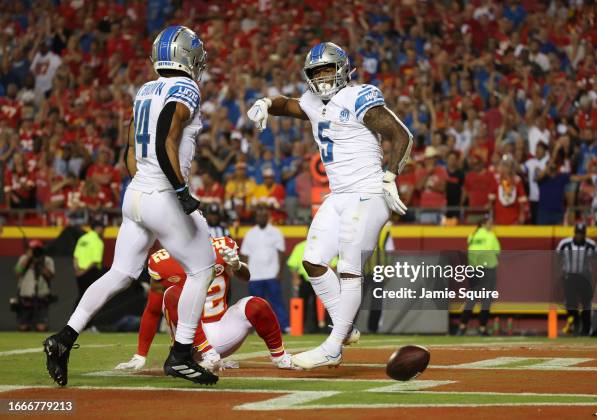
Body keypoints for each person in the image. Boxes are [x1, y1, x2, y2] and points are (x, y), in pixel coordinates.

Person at [43, 26, 218, 387]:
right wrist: (181, 191)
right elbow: (165, 140)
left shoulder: (144, 90)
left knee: (120, 273)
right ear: (186, 56)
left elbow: (130, 150)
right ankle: (182, 354)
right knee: (202, 268)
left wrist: (147, 184)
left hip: (136, 192)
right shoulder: (186, 88)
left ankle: (63, 339)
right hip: (162, 194)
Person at [247, 42, 412, 368]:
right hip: (338, 195)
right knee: (313, 262)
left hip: (367, 192)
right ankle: (345, 325)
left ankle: (334, 345)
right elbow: (288, 105)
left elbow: (401, 134)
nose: (322, 78)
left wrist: (390, 175)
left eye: (327, 70)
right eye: (316, 72)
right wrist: (266, 103)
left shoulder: (357, 95)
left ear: (342, 70)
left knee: (350, 268)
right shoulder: (310, 101)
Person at [114, 237, 298, 371]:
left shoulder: (221, 246)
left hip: (223, 327)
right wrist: (141, 353)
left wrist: (236, 265)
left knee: (256, 304)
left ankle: (280, 357)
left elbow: (246, 277)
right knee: (173, 294)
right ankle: (207, 354)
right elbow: (153, 311)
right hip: (190, 342)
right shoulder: (161, 261)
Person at [240, 206, 289, 332]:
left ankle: (284, 326)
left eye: (263, 216)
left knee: (276, 302)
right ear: (256, 217)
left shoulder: (275, 232)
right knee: (256, 305)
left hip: (272, 273)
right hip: (254, 275)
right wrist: (246, 273)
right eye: (259, 216)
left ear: (268, 217)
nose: (261, 218)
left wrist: (280, 271)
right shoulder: (250, 233)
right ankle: (258, 328)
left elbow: (281, 253)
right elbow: (245, 254)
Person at [457, 215, 500, 336]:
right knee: (486, 300)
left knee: (472, 299)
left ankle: (462, 326)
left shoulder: (472, 236)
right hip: (488, 270)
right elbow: (497, 252)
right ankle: (482, 328)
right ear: (484, 224)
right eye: (490, 223)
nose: (492, 225)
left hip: (473, 270)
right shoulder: (490, 236)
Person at [556, 223, 597, 336]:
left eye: (582, 234)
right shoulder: (564, 244)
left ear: (585, 234)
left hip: (584, 277)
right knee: (570, 303)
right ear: (574, 233)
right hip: (570, 276)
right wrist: (560, 273)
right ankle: (575, 324)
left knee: (586, 304)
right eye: (578, 233)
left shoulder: (591, 245)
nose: (579, 236)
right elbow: (557, 257)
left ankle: (586, 329)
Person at [14, 240, 55, 332]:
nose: (35, 252)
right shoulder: (23, 258)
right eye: (32, 249)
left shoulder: (47, 260)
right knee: (23, 327)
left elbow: (51, 276)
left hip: (41, 295)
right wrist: (28, 258)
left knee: (41, 327)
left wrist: (40, 263)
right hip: (26, 295)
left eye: (37, 249)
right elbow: (17, 273)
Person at [73, 221, 104, 310]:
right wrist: (83, 272)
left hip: (79, 273)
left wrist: (77, 271)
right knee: (91, 301)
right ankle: (87, 323)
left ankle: (74, 320)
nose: (103, 231)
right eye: (102, 228)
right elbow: (95, 261)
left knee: (81, 296)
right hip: (91, 272)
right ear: (98, 228)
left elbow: (75, 257)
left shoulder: (82, 239)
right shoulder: (98, 241)